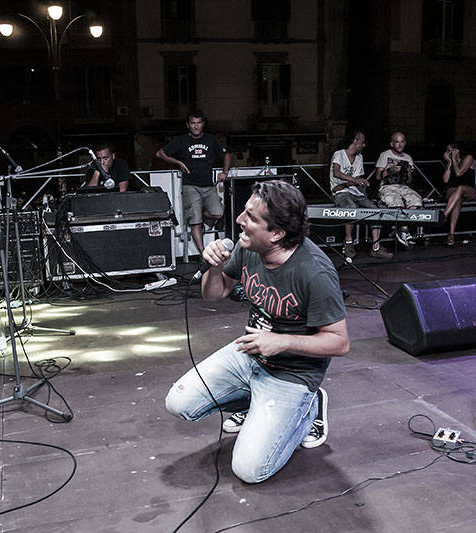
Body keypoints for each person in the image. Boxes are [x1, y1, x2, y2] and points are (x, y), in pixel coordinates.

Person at [165, 180, 350, 484]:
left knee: (250, 470)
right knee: (179, 402)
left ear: (277, 234)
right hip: (250, 354)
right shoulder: (248, 245)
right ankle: (256, 404)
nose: (239, 220)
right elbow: (214, 294)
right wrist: (214, 266)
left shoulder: (315, 271)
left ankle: (309, 410)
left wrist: (281, 341)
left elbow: (339, 342)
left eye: (251, 217)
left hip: (292, 375)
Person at [155, 108, 232, 256]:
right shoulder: (182, 140)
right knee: (194, 221)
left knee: (219, 214)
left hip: (209, 186)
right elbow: (160, 153)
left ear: (203, 124)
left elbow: (226, 154)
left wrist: (225, 172)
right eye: (192, 123)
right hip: (190, 185)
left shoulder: (211, 139)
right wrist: (178, 163)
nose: (196, 126)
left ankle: (202, 214)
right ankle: (203, 253)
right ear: (188, 125)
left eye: (198, 123)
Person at [329, 131, 393, 259]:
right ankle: (348, 242)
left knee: (375, 210)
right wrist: (353, 181)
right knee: (350, 209)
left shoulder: (359, 158)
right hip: (341, 193)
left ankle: (376, 247)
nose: (364, 145)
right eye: (362, 142)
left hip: (353, 191)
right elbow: (336, 173)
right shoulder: (339, 154)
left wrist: (357, 182)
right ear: (355, 141)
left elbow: (356, 179)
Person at [375, 132, 422, 248]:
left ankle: (403, 229)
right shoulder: (385, 155)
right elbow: (377, 176)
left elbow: (409, 182)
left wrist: (409, 174)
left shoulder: (408, 158)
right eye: (397, 142)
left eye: (402, 142)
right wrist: (391, 170)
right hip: (388, 186)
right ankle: (402, 231)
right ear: (392, 144)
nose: (400, 145)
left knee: (416, 200)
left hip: (403, 186)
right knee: (396, 202)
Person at [442, 143, 476, 247]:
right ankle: (451, 234)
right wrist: (449, 163)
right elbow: (445, 180)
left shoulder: (468, 158)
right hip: (454, 191)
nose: (447, 153)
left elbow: (459, 173)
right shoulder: (450, 162)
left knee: (461, 188)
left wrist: (454, 160)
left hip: (468, 190)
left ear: (456, 151)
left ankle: (444, 215)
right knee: (457, 201)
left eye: (450, 151)